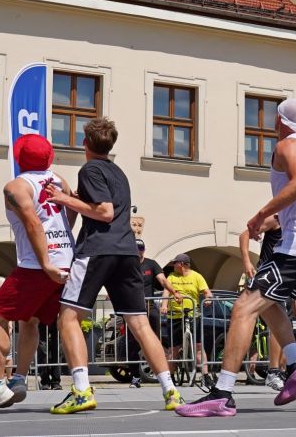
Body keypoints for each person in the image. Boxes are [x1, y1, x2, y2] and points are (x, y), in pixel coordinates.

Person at [175, 98, 296, 418]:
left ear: (279, 121)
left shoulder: (286, 146)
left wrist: (263, 215)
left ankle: (222, 392)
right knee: (269, 303)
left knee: (243, 306)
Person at [49, 117, 184, 414]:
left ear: (84, 144)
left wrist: (63, 199)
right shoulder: (118, 173)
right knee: (139, 323)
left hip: (98, 250)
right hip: (125, 251)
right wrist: (74, 197)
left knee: (68, 317)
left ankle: (82, 390)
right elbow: (106, 204)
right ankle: (171, 391)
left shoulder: (89, 169)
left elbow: (104, 212)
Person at [0, 134, 75, 412]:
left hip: (37, 266)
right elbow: (72, 209)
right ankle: (19, 378)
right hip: (66, 259)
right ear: (50, 158)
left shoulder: (16, 186)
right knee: (30, 321)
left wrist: (45, 263)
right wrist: (63, 244)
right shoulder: (60, 181)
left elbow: (32, 223)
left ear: (19, 158)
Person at [239, 216, 284, 391]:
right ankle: (273, 371)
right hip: (266, 276)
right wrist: (246, 261)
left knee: (281, 325)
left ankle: (278, 370)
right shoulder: (276, 219)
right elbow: (244, 235)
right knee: (271, 324)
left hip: (282, 278)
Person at [132, 239, 178, 386]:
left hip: (149, 306)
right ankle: (134, 377)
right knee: (132, 343)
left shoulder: (151, 264)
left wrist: (174, 292)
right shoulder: (127, 264)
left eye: (141, 249)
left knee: (155, 339)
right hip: (133, 308)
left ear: (144, 250)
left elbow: (163, 281)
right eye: (136, 248)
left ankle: (163, 374)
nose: (139, 251)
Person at [165, 254, 213, 390]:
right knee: (173, 349)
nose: (173, 265)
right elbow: (166, 293)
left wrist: (208, 298)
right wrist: (164, 305)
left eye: (175, 263)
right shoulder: (171, 277)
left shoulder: (196, 276)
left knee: (198, 346)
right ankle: (171, 377)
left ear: (182, 264)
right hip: (175, 316)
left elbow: (207, 292)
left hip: (193, 315)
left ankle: (205, 376)